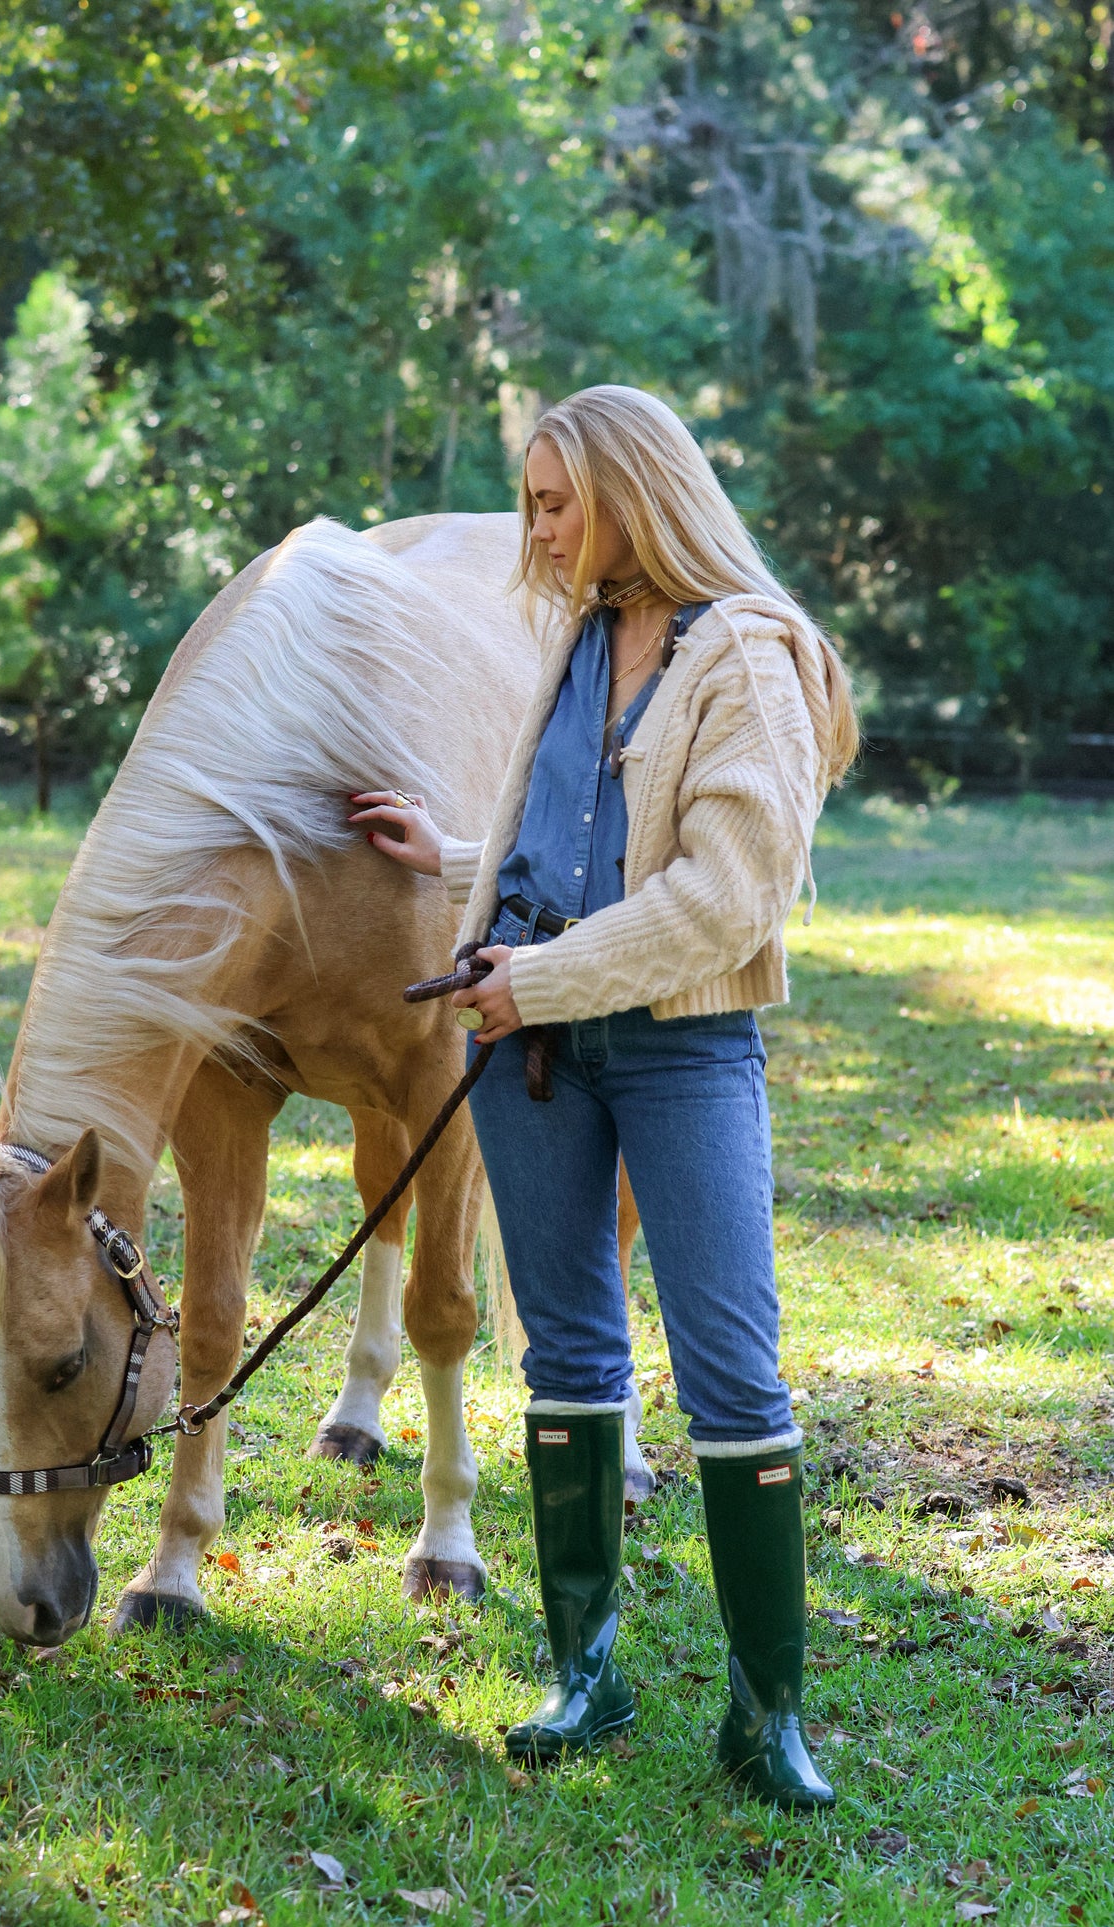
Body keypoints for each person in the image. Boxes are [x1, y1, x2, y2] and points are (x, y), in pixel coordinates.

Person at [350, 384, 858, 1809]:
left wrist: (545, 982)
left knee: (728, 1373)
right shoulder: (580, 637)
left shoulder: (748, 658)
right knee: (565, 1356)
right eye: (530, 502)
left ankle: (767, 1717)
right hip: (526, 1050)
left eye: (557, 501)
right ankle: (588, 1675)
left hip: (675, 1048)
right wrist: (451, 851)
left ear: (640, 494)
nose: (538, 529)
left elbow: (723, 894)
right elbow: (571, 838)